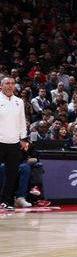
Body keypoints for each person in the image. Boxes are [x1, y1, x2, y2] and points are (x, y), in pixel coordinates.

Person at [0, 76, 30, 211]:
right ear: (1, 86)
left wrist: (23, 138)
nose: (10, 86)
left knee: (12, 174)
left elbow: (22, 121)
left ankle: (5, 201)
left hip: (14, 143)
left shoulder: (19, 102)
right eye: (7, 83)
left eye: (12, 83)